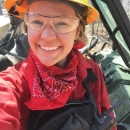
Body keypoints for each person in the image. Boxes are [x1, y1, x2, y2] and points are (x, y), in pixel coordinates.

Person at [0, 0, 117, 130]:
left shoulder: (91, 70)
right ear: (27, 27)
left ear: (78, 31)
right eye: (37, 22)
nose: (47, 36)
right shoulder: (12, 84)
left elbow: (107, 120)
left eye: (62, 23)